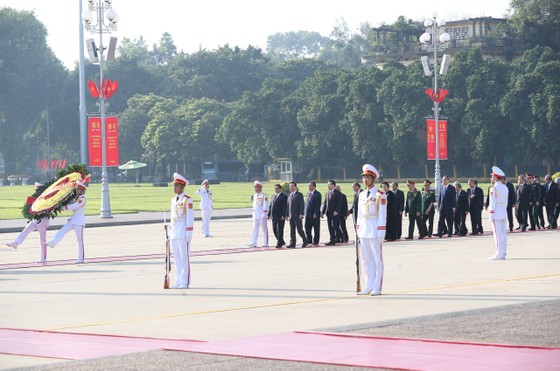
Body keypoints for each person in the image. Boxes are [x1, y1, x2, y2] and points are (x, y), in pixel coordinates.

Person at [356, 164, 387, 296]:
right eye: (364, 178)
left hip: (374, 230)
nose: (365, 180)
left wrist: (381, 232)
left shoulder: (380, 195)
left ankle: (376, 287)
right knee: (366, 260)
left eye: (368, 178)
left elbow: (382, 214)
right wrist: (358, 230)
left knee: (376, 259)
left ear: (373, 179)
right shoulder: (362, 194)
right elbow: (359, 214)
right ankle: (368, 285)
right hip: (364, 231)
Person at [6, 183, 51, 263]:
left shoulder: (46, 198)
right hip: (35, 219)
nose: (37, 191)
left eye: (38, 189)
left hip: (43, 220)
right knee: (26, 230)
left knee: (42, 239)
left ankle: (43, 258)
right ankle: (16, 243)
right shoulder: (34, 197)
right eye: (36, 189)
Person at [46, 181, 88, 264]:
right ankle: (53, 242)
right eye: (77, 189)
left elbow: (73, 206)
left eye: (79, 189)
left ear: (82, 191)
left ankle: (80, 258)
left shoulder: (82, 199)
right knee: (62, 230)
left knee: (79, 241)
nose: (77, 191)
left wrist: (63, 207)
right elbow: (69, 203)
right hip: (73, 219)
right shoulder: (76, 198)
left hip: (79, 221)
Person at [166, 173, 194, 288]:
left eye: (176, 186)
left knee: (184, 257)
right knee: (176, 258)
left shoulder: (187, 200)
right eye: (174, 186)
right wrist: (170, 231)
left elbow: (190, 217)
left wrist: (189, 232)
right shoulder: (173, 200)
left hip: (183, 231)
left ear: (182, 187)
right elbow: (173, 217)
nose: (174, 188)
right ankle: (178, 281)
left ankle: (185, 281)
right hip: (175, 232)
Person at [488, 166, 509, 260]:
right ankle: (503, 253)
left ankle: (498, 254)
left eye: (493, 176)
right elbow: (506, 202)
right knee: (503, 234)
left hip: (496, 213)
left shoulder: (493, 188)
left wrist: (491, 215)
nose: (492, 178)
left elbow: (492, 204)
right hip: (503, 212)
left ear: (496, 177)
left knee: (497, 235)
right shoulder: (505, 188)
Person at [322, 179, 342, 245]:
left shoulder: (337, 193)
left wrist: (336, 210)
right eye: (328, 185)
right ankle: (332, 240)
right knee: (330, 226)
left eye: (330, 185)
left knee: (335, 226)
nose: (328, 186)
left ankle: (342, 236)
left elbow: (339, 203)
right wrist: (322, 212)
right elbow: (325, 203)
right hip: (329, 213)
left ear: (333, 185)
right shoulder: (327, 193)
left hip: (335, 213)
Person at [248, 181, 269, 247]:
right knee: (255, 229)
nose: (255, 189)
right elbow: (254, 205)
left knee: (264, 229)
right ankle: (253, 242)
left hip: (262, 215)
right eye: (255, 187)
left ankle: (265, 242)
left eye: (257, 187)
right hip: (256, 215)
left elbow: (265, 205)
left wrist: (264, 214)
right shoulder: (254, 195)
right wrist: (253, 213)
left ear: (260, 188)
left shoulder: (264, 195)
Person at [286, 181, 307, 248]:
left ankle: (305, 240)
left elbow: (302, 204)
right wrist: (286, 214)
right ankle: (292, 243)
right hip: (291, 216)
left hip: (297, 215)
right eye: (290, 187)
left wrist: (301, 213)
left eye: (292, 186)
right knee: (292, 230)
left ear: (295, 187)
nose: (291, 188)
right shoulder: (289, 195)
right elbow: (288, 206)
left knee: (299, 229)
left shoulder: (299, 194)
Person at [268, 183, 287, 248]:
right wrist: (269, 214)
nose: (276, 190)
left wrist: (283, 215)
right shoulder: (273, 196)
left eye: (277, 188)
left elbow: (285, 207)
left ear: (280, 189)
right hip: (274, 216)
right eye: (275, 189)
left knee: (280, 230)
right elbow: (271, 206)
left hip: (280, 216)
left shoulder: (284, 196)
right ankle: (281, 241)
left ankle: (279, 243)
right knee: (274, 230)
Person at [304, 181, 322, 246]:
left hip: (314, 215)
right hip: (307, 214)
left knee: (316, 229)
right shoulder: (308, 194)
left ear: (314, 186)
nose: (309, 187)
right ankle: (309, 240)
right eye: (308, 186)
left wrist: (316, 213)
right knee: (307, 228)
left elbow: (318, 205)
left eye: (310, 185)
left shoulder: (317, 194)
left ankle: (316, 241)